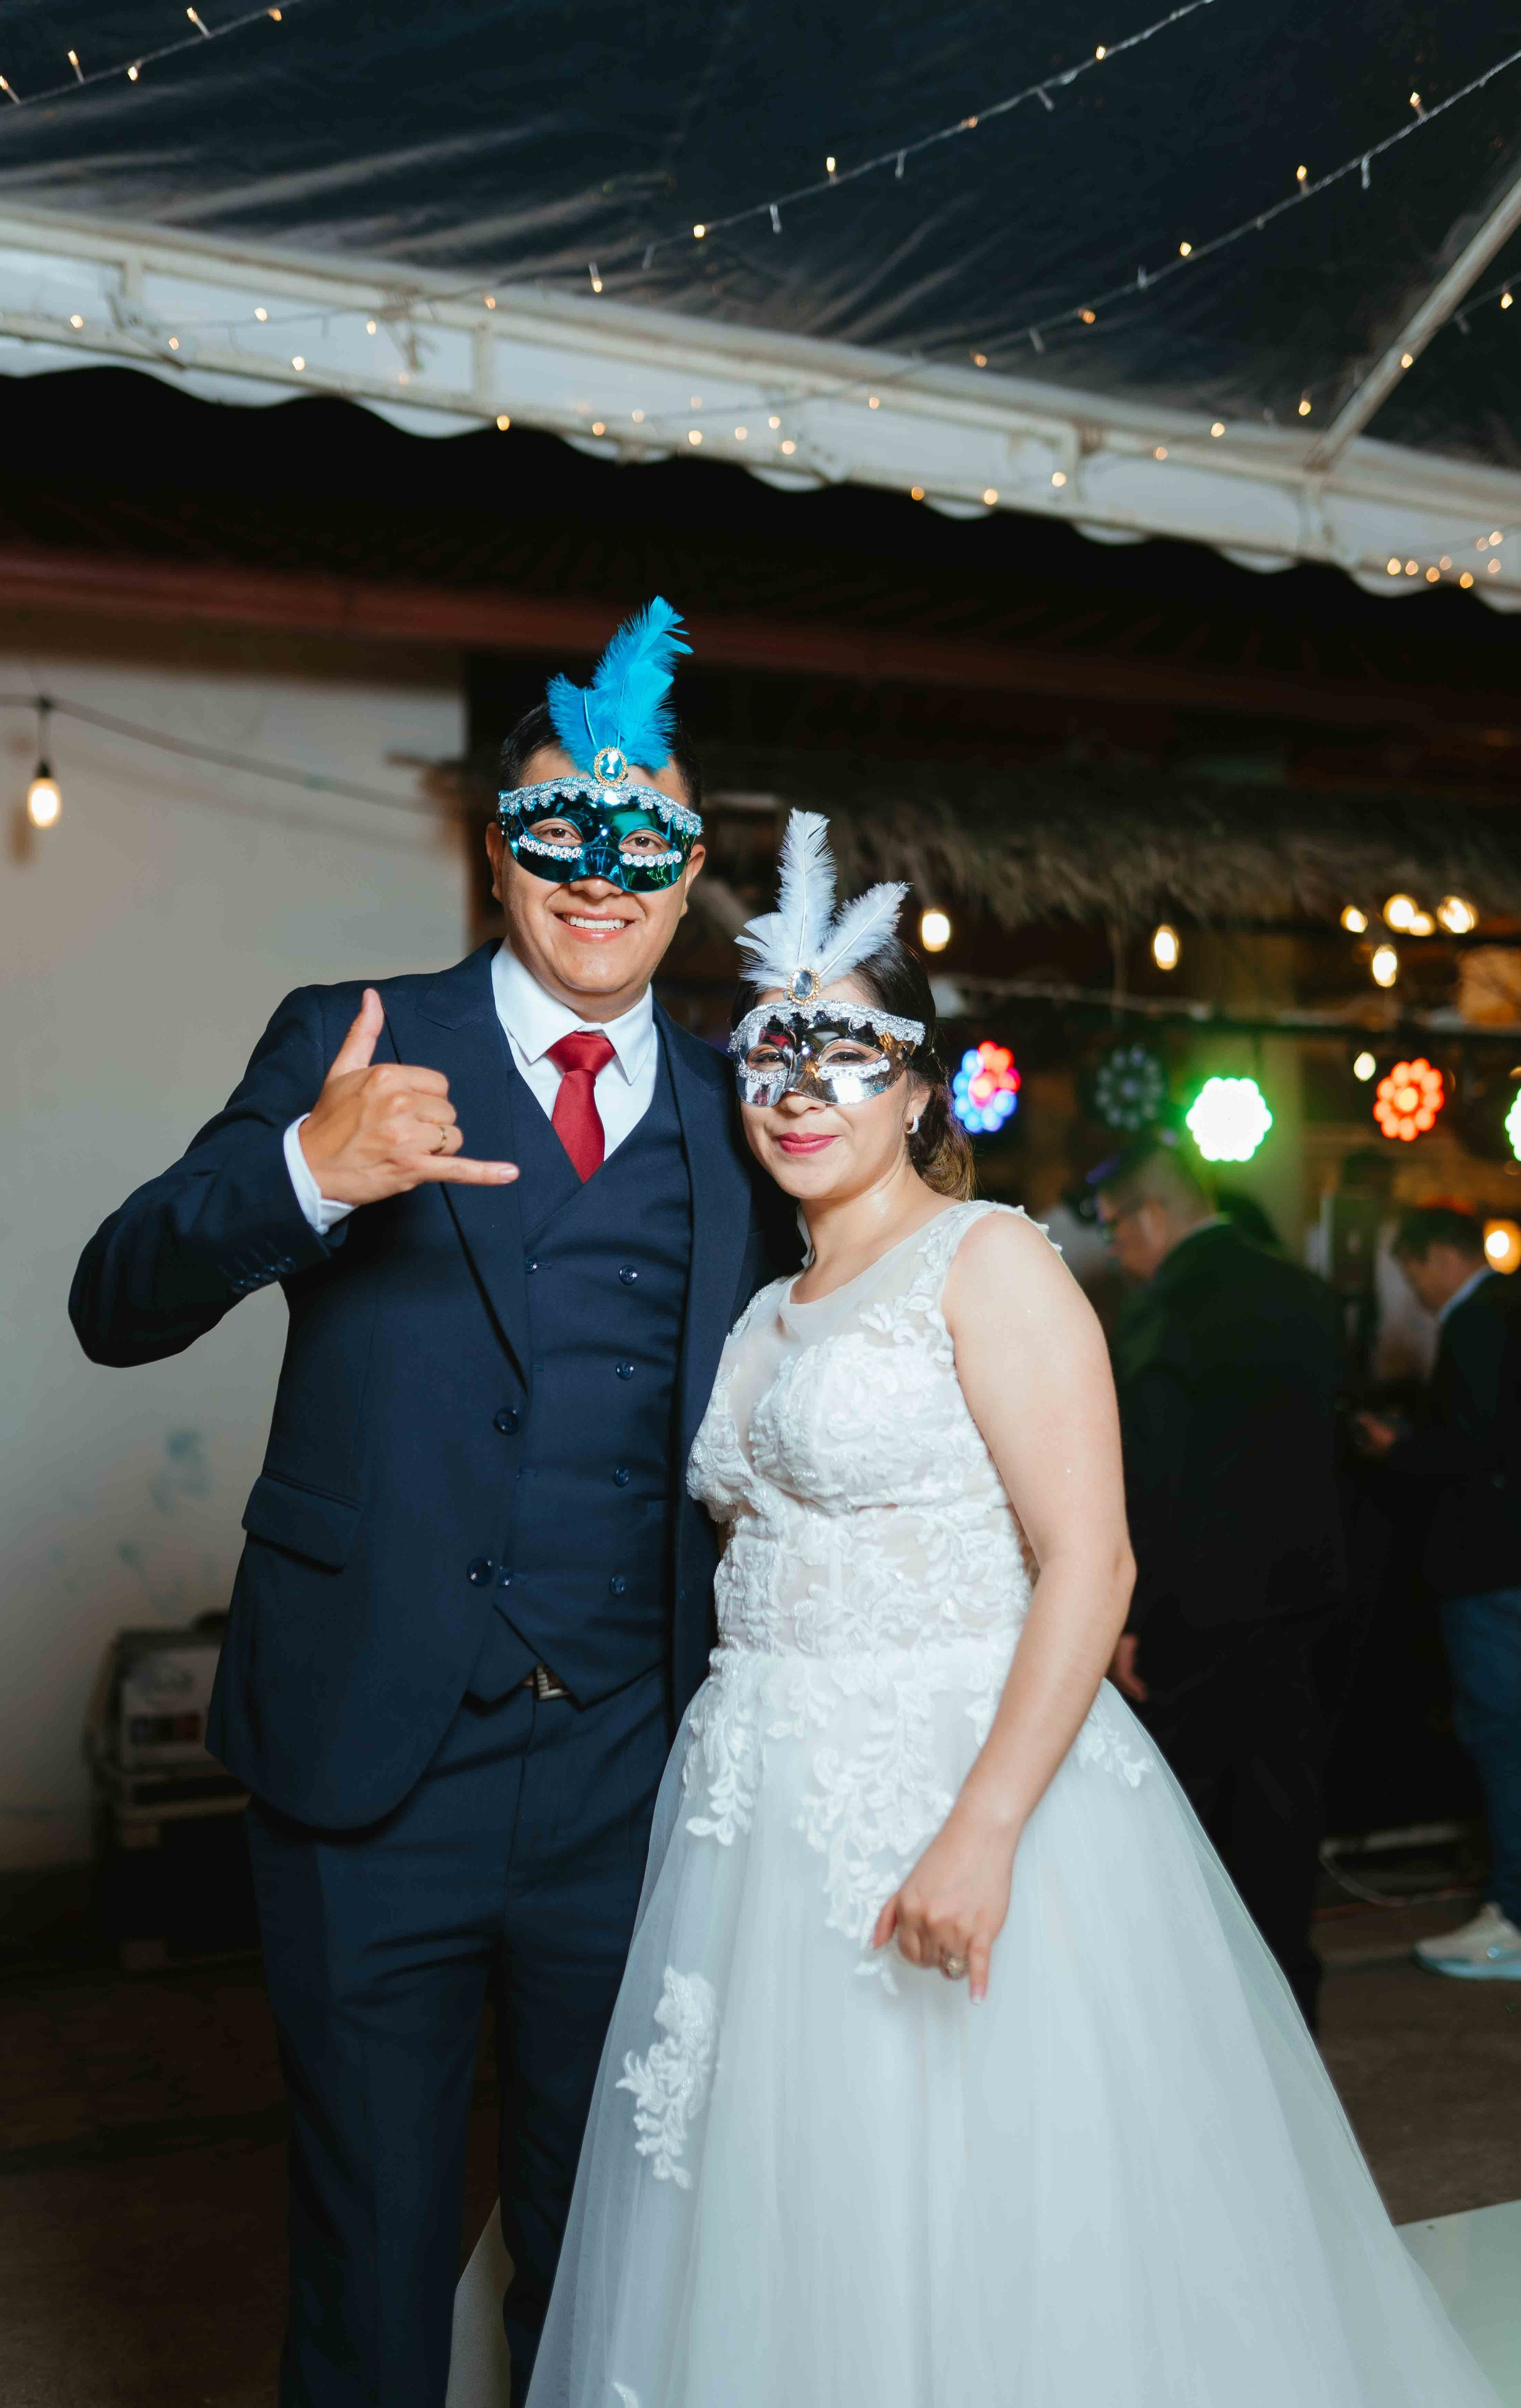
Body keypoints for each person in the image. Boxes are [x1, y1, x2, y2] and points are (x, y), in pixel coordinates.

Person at [526, 815, 1500, 2408]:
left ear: (916, 1087)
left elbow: (1091, 1563)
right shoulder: (763, 1306)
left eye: (846, 1052)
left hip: (958, 1779)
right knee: (790, 2202)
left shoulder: (986, 1262)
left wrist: (980, 1829)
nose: (798, 1086)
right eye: (772, 1048)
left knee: (985, 2196)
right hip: (755, 1807)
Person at [69, 601, 793, 2408]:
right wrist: (305, 1175)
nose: (603, 873)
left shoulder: (737, 1107)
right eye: (563, 832)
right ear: (498, 854)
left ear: (692, 871)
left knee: (602, 2243)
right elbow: (116, 1298)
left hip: (632, 1772)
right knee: (373, 2247)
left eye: (649, 840)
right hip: (366, 1747)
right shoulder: (346, 1034)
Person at [1093, 1140, 1344, 2027]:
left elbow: (1156, 1478)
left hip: (1198, 1606)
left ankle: (1207, 2026)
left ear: (1151, 1215)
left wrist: (1133, 1613)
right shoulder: (1303, 1290)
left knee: (1188, 1824)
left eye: (1116, 1229)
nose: (1117, 1248)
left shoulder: (1167, 1308)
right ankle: (1290, 2013)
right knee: (1284, 1816)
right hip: (1305, 1593)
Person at [1357, 1205, 1521, 1980]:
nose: (1415, 1288)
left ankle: (1513, 1916)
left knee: (1501, 1736)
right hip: (1504, 1563)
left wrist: (1399, 1448)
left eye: (1412, 1269)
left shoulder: (1473, 1323)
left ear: (1438, 1259)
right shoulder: (1505, 1309)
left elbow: (1474, 1443)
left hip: (1488, 1566)